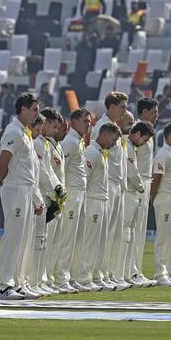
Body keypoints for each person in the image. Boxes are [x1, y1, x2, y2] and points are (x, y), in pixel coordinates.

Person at [0, 92, 44, 300]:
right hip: (16, 188)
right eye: (34, 109)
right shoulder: (13, 131)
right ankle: (4, 285)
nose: (37, 114)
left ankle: (20, 283)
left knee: (25, 239)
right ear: (22, 109)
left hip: (27, 189)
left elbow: (31, 170)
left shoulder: (26, 133)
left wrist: (36, 198)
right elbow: (3, 162)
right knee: (14, 237)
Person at [91, 92, 129, 290]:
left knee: (113, 234)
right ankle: (97, 275)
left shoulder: (116, 129)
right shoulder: (101, 127)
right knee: (103, 234)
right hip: (107, 184)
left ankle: (106, 273)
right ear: (111, 107)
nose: (124, 111)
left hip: (117, 184)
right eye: (122, 107)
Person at [77, 122, 120, 291]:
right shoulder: (92, 152)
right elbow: (84, 179)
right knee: (91, 241)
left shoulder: (102, 153)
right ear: (104, 135)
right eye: (113, 139)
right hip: (93, 201)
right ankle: (84, 278)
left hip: (102, 199)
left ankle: (94, 276)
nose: (115, 143)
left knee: (100, 241)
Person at [33, 108, 66, 295]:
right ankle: (36, 279)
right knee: (39, 241)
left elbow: (53, 172)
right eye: (53, 126)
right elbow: (43, 172)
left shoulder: (48, 144)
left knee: (49, 242)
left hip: (52, 196)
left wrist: (59, 190)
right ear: (44, 123)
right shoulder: (38, 143)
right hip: (43, 196)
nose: (56, 130)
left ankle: (43, 279)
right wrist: (55, 192)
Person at [59, 108, 91, 292]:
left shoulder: (78, 142)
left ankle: (70, 276)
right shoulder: (70, 142)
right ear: (75, 122)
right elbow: (62, 170)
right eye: (85, 121)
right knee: (68, 238)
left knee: (78, 238)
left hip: (80, 192)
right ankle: (62, 279)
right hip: (72, 193)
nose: (88, 125)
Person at [151, 122, 171, 287]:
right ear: (170, 136)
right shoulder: (163, 154)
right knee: (164, 236)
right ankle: (160, 273)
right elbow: (156, 178)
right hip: (165, 198)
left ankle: (170, 271)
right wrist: (152, 198)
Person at [120, 121, 153, 286]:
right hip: (127, 192)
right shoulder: (126, 144)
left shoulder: (131, 146)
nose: (143, 144)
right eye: (144, 140)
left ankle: (127, 272)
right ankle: (121, 274)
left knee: (130, 234)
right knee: (125, 234)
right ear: (138, 134)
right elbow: (131, 170)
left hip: (131, 192)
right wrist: (141, 186)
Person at [131, 98, 158, 284]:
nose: (156, 114)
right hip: (136, 184)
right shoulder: (137, 132)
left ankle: (137, 270)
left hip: (145, 183)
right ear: (144, 112)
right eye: (154, 111)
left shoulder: (149, 133)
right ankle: (131, 271)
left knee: (140, 231)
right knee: (132, 230)